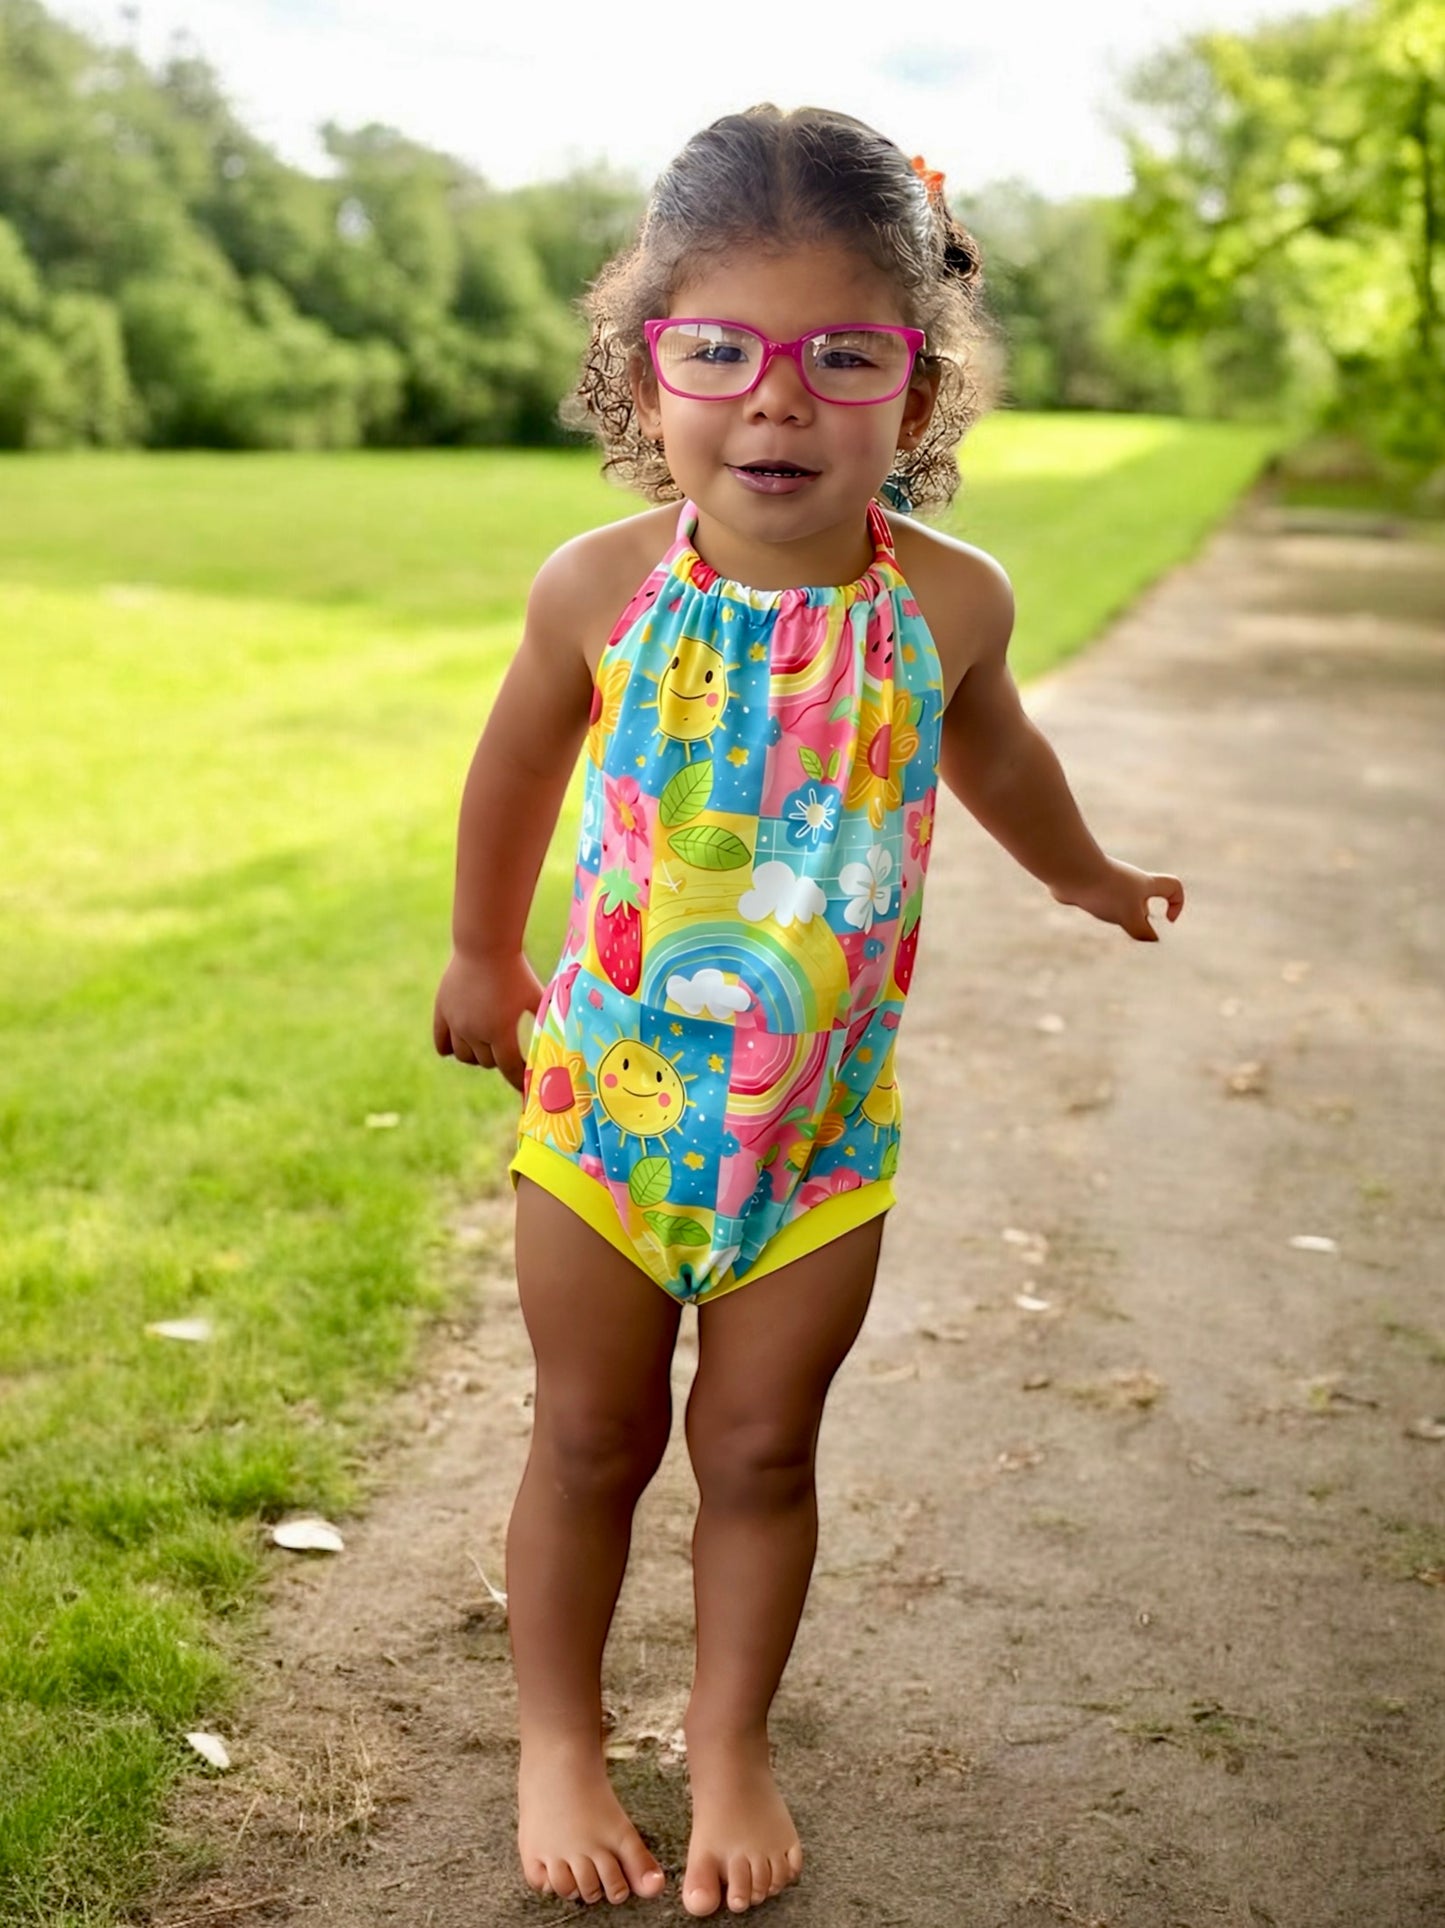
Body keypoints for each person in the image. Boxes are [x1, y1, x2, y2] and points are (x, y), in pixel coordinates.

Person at [433, 103, 1184, 1918]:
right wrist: (479, 953)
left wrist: (1081, 871)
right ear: (648, 365)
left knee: (762, 1449)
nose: (776, 403)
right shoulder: (601, 588)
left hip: (817, 1132)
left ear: (916, 392)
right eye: (723, 352)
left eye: (842, 357)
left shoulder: (950, 604)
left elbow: (999, 758)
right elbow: (514, 766)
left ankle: (729, 1741)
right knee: (591, 1437)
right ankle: (556, 1737)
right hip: (606, 1113)